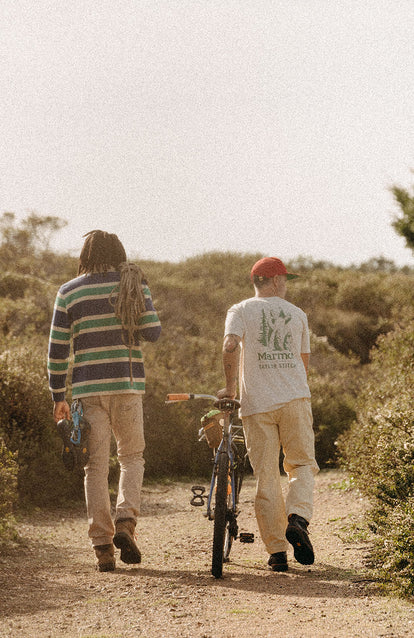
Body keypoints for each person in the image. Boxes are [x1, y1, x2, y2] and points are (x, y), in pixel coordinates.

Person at [48, 230, 161, 572]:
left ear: (85, 254)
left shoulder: (68, 291)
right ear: (120, 253)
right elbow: (153, 332)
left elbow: (57, 350)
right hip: (126, 386)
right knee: (131, 457)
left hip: (86, 390)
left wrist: (58, 395)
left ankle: (102, 547)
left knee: (94, 467)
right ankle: (125, 522)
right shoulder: (133, 284)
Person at [217, 257, 318, 572]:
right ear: (275, 281)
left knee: (266, 476)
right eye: (285, 280)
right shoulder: (297, 314)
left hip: (257, 404)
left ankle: (277, 552)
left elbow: (230, 344)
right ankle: (298, 518)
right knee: (301, 464)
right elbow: (303, 363)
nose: (286, 285)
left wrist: (230, 389)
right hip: (295, 399)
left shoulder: (240, 310)